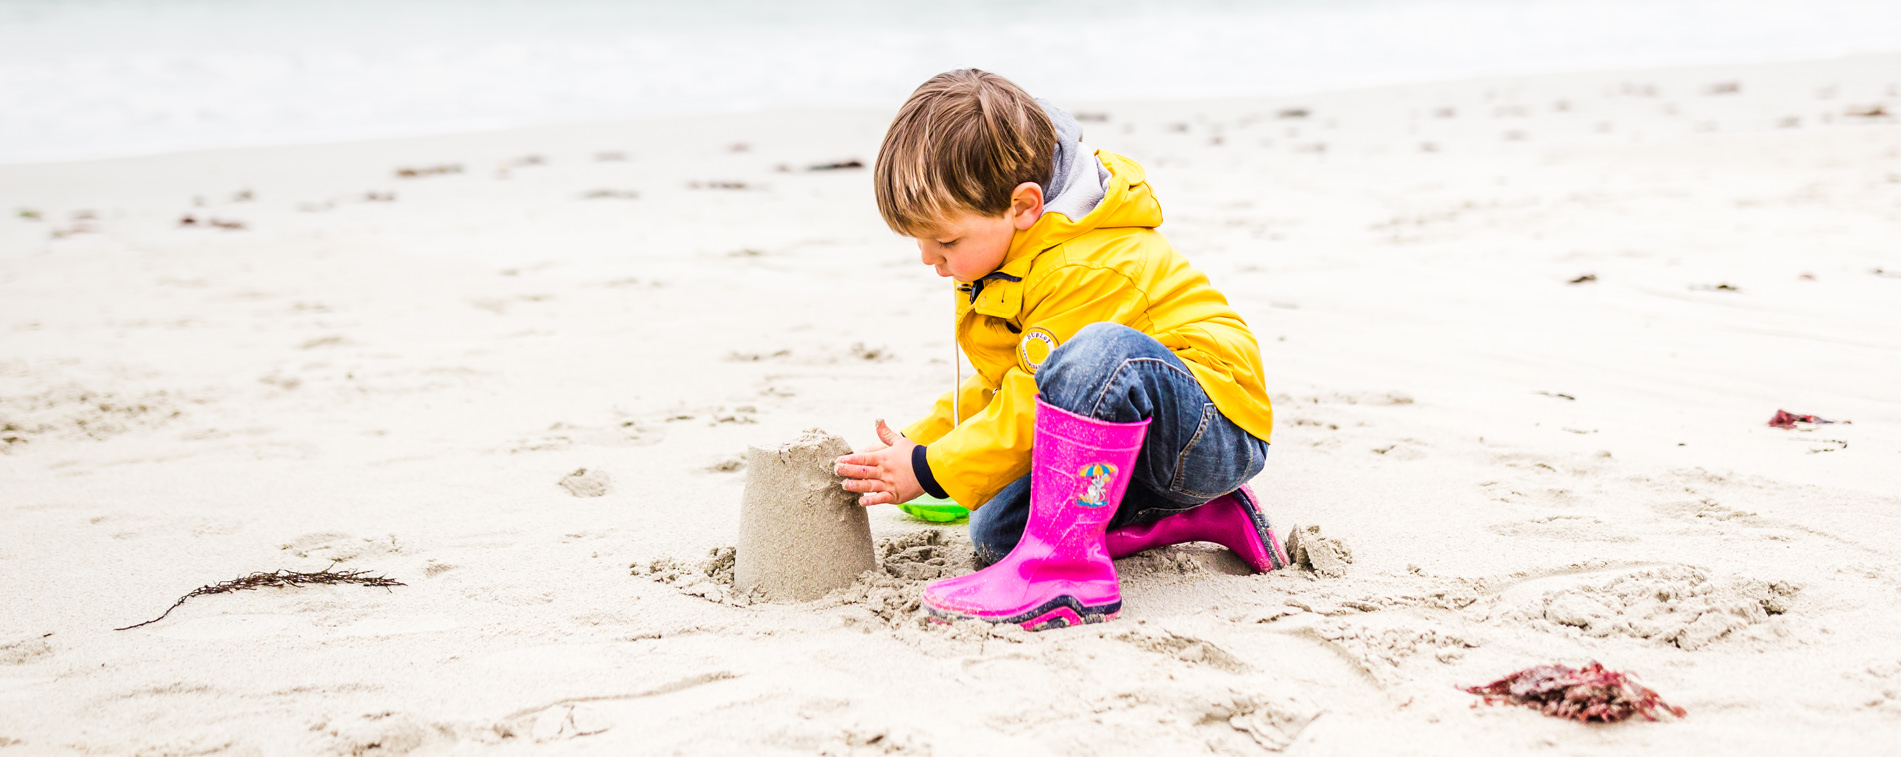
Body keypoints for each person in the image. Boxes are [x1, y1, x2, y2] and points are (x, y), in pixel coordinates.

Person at [833, 69, 1285, 631]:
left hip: (1209, 426)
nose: (929, 258)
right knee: (997, 530)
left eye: (946, 240)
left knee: (1094, 351)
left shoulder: (1082, 264)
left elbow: (1030, 401)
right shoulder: (1010, 251)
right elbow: (1008, 380)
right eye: (920, 240)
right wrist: (927, 439)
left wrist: (929, 468)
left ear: (1023, 206)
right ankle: (1196, 514)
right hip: (1128, 436)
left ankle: (1064, 574)